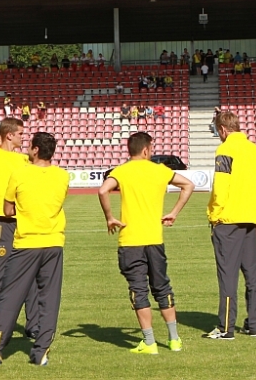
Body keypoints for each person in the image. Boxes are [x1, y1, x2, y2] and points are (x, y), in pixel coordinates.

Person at [0, 132, 68, 366]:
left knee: (10, 296)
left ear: (35, 150)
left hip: (27, 242)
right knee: (49, 299)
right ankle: (41, 352)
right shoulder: (62, 176)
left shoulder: (20, 173)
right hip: (54, 242)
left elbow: (7, 210)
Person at [97, 132, 196, 354]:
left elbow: (103, 190)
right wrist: (173, 213)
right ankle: (174, 339)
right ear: (146, 150)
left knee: (138, 289)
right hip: (154, 239)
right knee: (162, 286)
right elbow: (188, 185)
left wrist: (110, 217)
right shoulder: (159, 170)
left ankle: (149, 342)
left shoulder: (120, 172)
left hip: (131, 241)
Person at [204, 111, 256, 340]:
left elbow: (221, 187)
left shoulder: (225, 150)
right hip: (250, 220)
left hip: (228, 221)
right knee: (252, 275)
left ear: (222, 129)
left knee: (228, 275)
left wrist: (214, 214)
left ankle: (225, 328)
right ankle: (254, 325)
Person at [0, 118, 39, 344]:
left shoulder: (24, 158)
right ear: (9, 135)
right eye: (20, 133)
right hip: (2, 223)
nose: (23, 137)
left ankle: (33, 325)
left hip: (24, 222)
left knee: (31, 275)